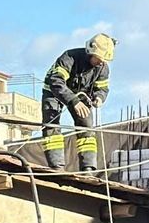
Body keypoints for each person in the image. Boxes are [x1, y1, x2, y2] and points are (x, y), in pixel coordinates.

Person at [41, 33, 116, 171]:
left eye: (104, 60)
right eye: (99, 58)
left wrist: (99, 97)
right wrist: (73, 100)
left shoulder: (103, 68)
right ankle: (56, 165)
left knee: (86, 126)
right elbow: (56, 81)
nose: (101, 62)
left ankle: (88, 167)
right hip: (54, 91)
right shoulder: (69, 57)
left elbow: (102, 88)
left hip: (81, 96)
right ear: (90, 52)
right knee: (51, 123)